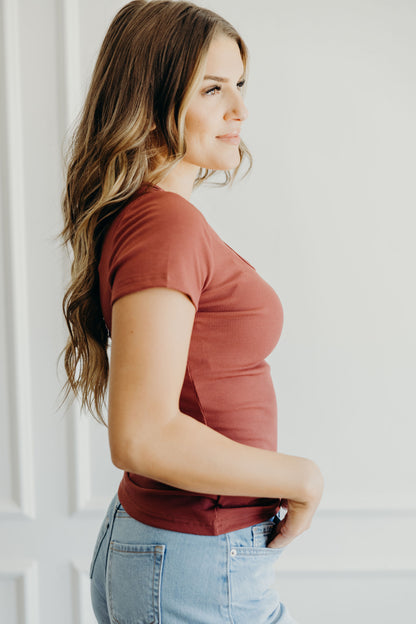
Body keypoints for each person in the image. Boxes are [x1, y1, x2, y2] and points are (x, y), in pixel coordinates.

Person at [60, 1, 324, 622]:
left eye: (239, 85)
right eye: (213, 89)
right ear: (150, 100)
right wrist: (302, 477)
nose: (240, 110)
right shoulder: (165, 226)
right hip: (198, 559)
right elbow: (143, 433)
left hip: (190, 553)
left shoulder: (159, 218)